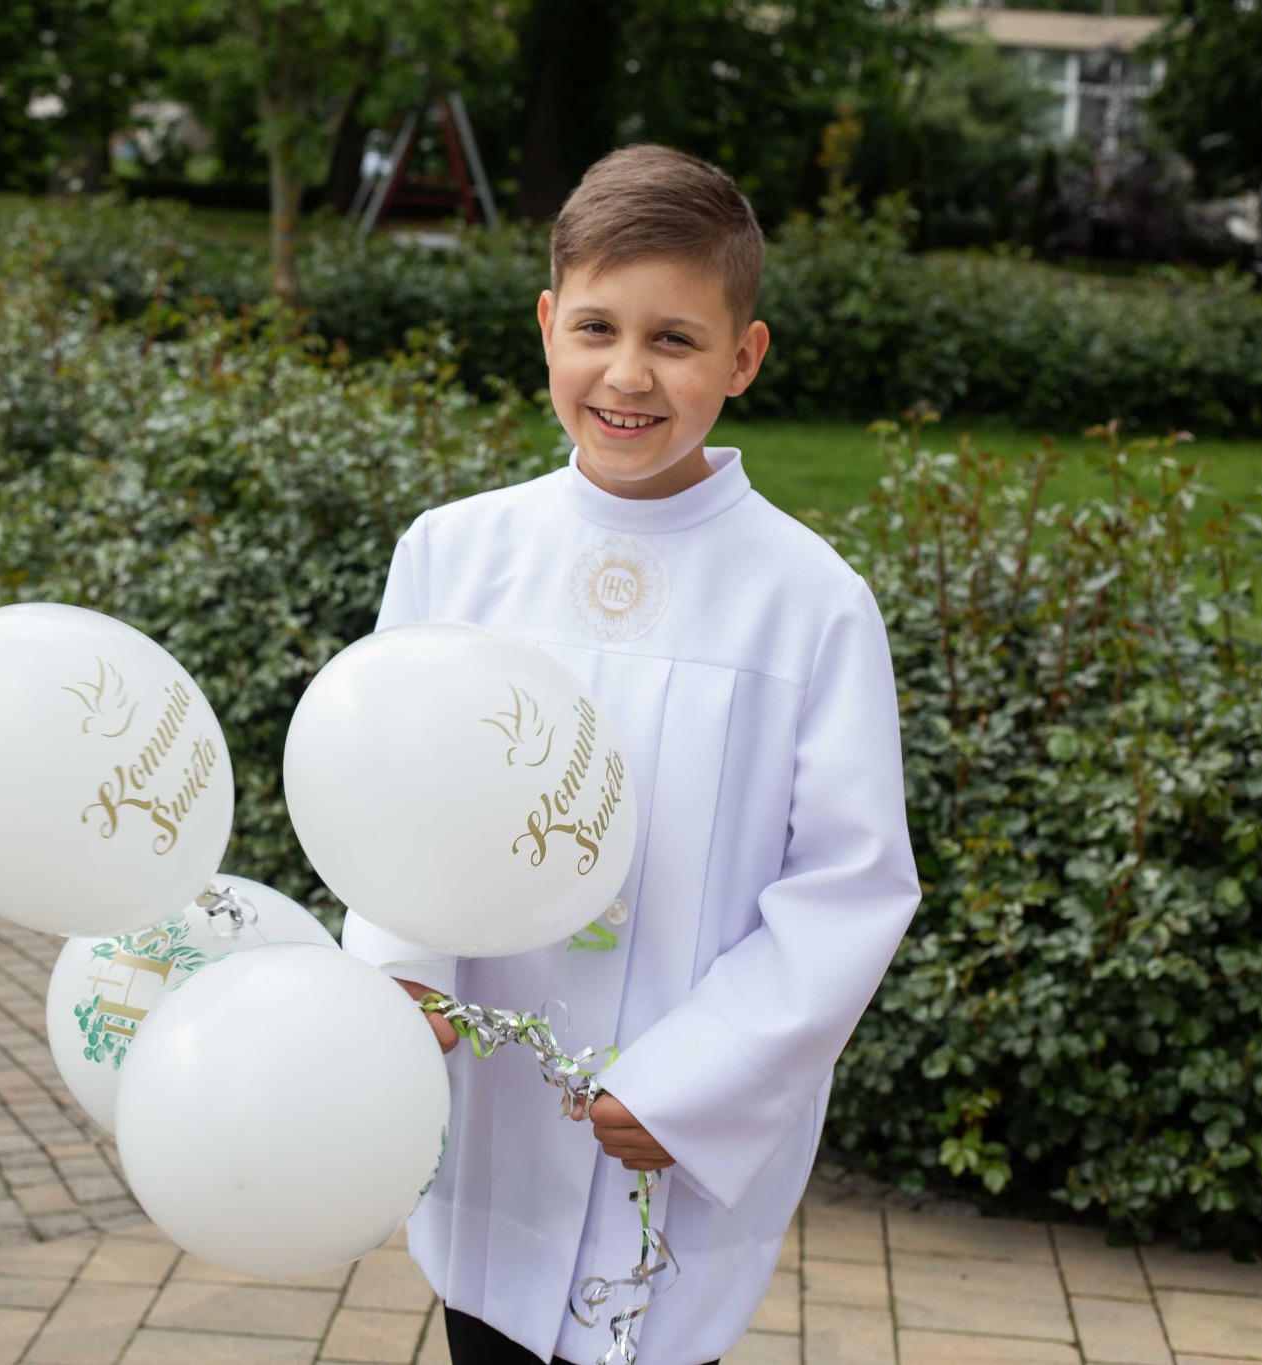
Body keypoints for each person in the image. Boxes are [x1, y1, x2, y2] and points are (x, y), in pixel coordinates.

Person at [338, 144, 921, 1365]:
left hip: (665, 1132)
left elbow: (846, 885)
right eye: (596, 327)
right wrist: (404, 977)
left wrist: (695, 1082)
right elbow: (383, 804)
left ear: (743, 358)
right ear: (547, 325)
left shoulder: (806, 603)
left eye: (674, 339)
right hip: (493, 1108)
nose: (626, 374)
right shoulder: (455, 556)